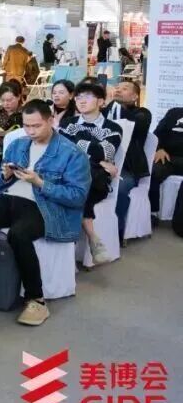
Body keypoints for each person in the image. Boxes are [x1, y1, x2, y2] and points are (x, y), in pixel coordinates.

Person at [0, 100, 91, 326]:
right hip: (9, 199)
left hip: (46, 207)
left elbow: (77, 196)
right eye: (26, 126)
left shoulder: (72, 153)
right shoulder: (17, 144)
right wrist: (4, 176)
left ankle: (36, 299)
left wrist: (40, 182)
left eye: (36, 126)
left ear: (51, 121)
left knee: (19, 234)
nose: (31, 131)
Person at [58, 80, 122, 265]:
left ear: (101, 101)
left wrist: (79, 146)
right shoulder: (67, 122)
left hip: (96, 180)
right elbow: (62, 148)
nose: (81, 100)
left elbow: (105, 152)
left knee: (81, 184)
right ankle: (93, 238)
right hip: (68, 174)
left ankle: (67, 249)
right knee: (75, 184)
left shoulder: (113, 127)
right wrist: (98, 159)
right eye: (78, 97)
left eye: (87, 96)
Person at [104, 80, 151, 241]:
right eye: (118, 87)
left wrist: (116, 104)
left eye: (125, 89)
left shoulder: (143, 114)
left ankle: (116, 231)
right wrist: (109, 105)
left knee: (120, 187)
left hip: (128, 168)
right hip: (104, 163)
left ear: (135, 96)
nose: (119, 90)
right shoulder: (109, 109)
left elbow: (132, 126)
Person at [150, 106, 183, 225]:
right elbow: (156, 134)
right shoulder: (174, 113)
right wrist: (158, 149)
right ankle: (152, 212)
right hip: (168, 157)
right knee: (154, 171)